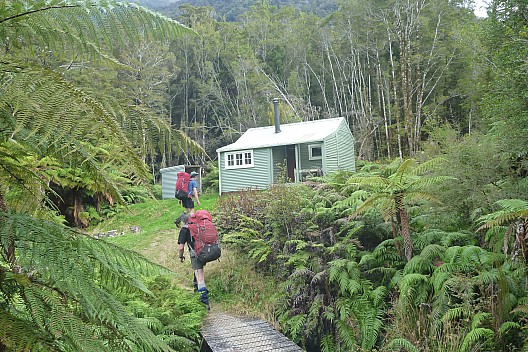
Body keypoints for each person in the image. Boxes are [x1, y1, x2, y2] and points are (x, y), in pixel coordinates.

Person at [177, 213, 209, 308]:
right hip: (204, 252)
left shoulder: (184, 230)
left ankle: (204, 302)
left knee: (200, 278)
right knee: (197, 275)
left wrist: (180, 256)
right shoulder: (197, 226)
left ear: (183, 221)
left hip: (195, 255)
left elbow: (181, 247)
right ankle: (198, 293)